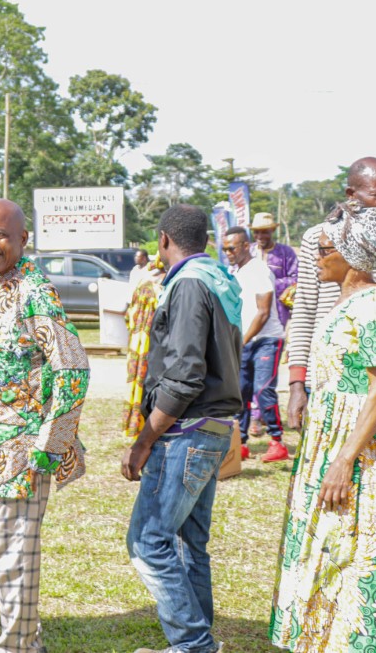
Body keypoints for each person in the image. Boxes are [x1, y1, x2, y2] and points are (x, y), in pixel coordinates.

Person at [270, 204, 376, 651]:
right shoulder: (346, 301)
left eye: (324, 249)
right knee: (333, 541)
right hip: (334, 436)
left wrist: (344, 459)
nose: (317, 257)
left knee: (364, 545)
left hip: (366, 446)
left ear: (351, 254)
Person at [0, 200, 90, 653]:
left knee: (14, 551)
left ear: (22, 240)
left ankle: (16, 648)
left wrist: (51, 444)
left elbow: (72, 369)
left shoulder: (36, 291)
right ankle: (23, 639)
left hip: (22, 450)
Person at [122, 205, 242, 653]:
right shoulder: (218, 279)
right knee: (191, 544)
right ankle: (199, 639)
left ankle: (193, 643)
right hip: (211, 427)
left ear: (164, 240)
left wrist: (144, 440)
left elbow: (187, 374)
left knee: (149, 541)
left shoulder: (190, 284)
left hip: (186, 431)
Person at [288, 157, 376, 430]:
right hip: (328, 379)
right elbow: (304, 313)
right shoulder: (319, 238)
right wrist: (297, 384)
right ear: (351, 194)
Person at [220, 227, 288, 463]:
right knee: (240, 392)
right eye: (224, 248)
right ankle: (241, 444)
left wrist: (242, 341)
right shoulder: (234, 272)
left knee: (262, 390)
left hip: (266, 340)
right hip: (243, 341)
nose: (228, 252)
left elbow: (263, 312)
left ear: (246, 246)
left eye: (232, 248)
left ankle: (277, 442)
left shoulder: (258, 270)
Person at [123, 259, 163, 439]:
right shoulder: (158, 289)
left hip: (138, 350)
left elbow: (128, 318)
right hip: (153, 350)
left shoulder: (142, 284)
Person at [249, 212, 298, 328]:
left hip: (278, 311)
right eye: (256, 232)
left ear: (272, 231)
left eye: (265, 232)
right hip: (250, 309)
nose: (260, 236)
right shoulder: (248, 251)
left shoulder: (286, 252)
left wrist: (270, 284)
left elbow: (297, 278)